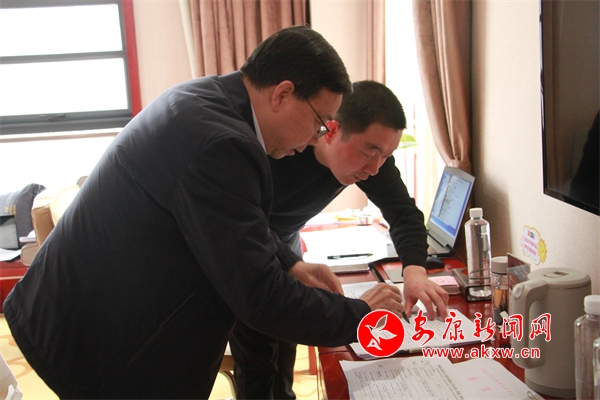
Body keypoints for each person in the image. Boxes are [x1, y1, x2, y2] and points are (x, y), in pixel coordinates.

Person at [3, 27, 405, 399]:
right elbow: (259, 296)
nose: (317, 138)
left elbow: (230, 223)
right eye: (320, 123)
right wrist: (362, 316)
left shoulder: (207, 98)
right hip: (102, 340)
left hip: (87, 312)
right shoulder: (223, 144)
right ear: (282, 94)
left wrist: (290, 263)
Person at [230, 80, 450, 399]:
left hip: (285, 239)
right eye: (368, 153)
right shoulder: (282, 148)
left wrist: (415, 271)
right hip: (246, 245)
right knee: (259, 358)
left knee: (284, 352)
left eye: (386, 156)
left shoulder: (374, 162)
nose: (374, 169)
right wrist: (289, 264)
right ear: (331, 130)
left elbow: (404, 212)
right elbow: (246, 227)